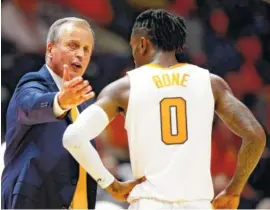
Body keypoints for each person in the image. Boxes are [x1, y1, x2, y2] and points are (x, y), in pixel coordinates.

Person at [62, 10, 266, 209]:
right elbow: (256, 136)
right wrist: (234, 190)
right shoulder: (211, 83)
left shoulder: (124, 88)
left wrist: (110, 184)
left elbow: (73, 138)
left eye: (133, 48)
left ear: (142, 44)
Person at [1, 17, 143, 209]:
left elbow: (82, 154)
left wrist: (112, 184)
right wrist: (59, 101)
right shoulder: (32, 83)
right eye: (73, 45)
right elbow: (31, 106)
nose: (80, 54)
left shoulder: (81, 101)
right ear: (50, 49)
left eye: (86, 49)